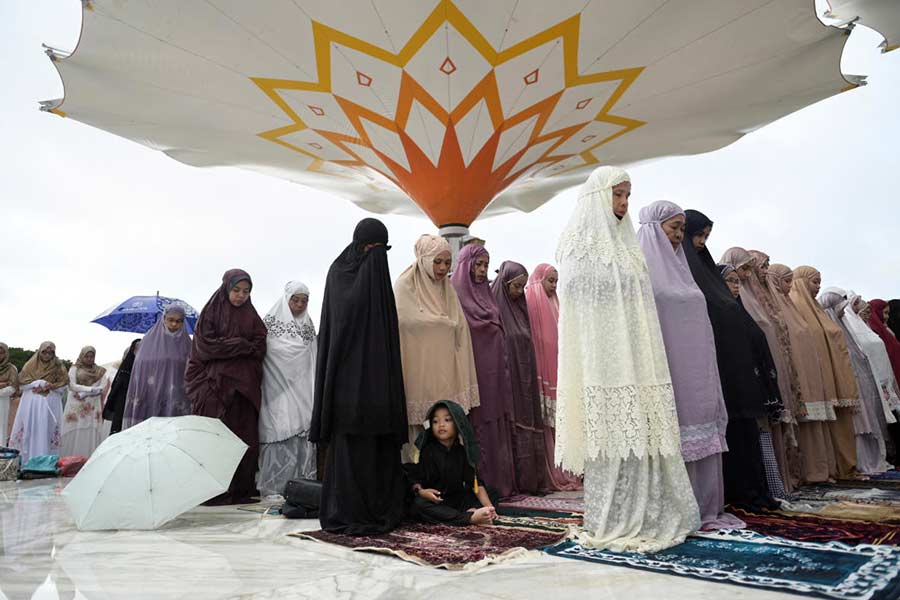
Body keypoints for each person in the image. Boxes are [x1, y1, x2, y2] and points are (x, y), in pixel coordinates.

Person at [556, 166, 699, 551]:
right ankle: (609, 517)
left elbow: (640, 309)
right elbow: (577, 318)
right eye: (616, 195)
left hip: (636, 358)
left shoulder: (628, 248)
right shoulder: (575, 247)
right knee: (610, 444)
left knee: (642, 439)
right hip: (601, 363)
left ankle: (651, 511)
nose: (622, 204)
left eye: (627, 196)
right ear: (597, 197)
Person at [636, 201, 742, 530]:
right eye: (673, 228)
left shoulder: (684, 270)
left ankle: (703, 506)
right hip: (666, 367)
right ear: (654, 229)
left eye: (682, 229)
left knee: (701, 429)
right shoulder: (642, 271)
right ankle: (673, 508)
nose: (679, 236)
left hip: (698, 369)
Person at [310, 218, 407, 535]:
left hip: (376, 382)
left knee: (375, 447)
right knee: (351, 449)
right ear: (361, 246)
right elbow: (340, 330)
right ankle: (350, 510)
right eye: (372, 249)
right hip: (348, 386)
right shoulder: (341, 275)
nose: (377, 256)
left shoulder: (369, 275)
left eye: (382, 250)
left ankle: (378, 507)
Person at [681, 211, 775, 511]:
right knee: (730, 431)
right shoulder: (685, 274)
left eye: (706, 237)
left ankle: (755, 491)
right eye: (697, 235)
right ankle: (739, 491)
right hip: (711, 367)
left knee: (744, 430)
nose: (701, 242)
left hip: (735, 370)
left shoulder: (707, 273)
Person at [394, 234, 479, 462]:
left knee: (446, 428)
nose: (442, 268)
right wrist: (439, 323)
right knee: (417, 437)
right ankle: (418, 487)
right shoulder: (404, 286)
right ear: (424, 259)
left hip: (444, 374)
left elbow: (460, 327)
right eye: (437, 261)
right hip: (416, 374)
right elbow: (404, 323)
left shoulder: (447, 290)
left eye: (447, 262)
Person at [186, 269, 267, 505]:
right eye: (236, 290)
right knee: (216, 440)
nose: (241, 295)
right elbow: (206, 348)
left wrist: (234, 347)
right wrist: (241, 345)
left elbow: (260, 345)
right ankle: (214, 492)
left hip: (244, 391)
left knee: (245, 440)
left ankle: (241, 489)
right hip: (216, 390)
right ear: (226, 288)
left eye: (246, 291)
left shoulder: (252, 316)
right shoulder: (212, 313)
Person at [451, 244, 518, 498]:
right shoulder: (456, 296)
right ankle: (481, 485)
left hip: (495, 375)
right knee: (478, 424)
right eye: (477, 265)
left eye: (485, 266)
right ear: (466, 265)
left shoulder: (487, 295)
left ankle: (500, 483)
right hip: (474, 374)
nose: (481, 271)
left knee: (496, 422)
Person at [718, 262, 788, 499]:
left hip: (752, 391)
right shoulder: (721, 314)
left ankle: (761, 488)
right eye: (731, 281)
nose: (737, 286)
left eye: (738, 281)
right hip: (733, 396)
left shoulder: (742, 312)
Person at [767, 264, 837, 482]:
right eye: (785, 281)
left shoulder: (794, 307)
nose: (788, 286)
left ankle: (821, 469)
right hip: (797, 379)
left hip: (810, 377)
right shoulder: (779, 307)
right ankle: (809, 471)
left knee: (816, 427)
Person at [789, 266, 859, 479]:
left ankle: (844, 466)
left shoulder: (815, 309)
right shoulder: (796, 306)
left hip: (832, 376)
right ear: (801, 281)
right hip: (818, 378)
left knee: (840, 423)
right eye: (814, 282)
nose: (818, 287)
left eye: (820, 282)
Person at [490, 261, 549, 494]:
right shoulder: (497, 309)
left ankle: (533, 481)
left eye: (522, 287)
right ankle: (515, 481)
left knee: (530, 420)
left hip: (525, 377)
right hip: (509, 378)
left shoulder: (521, 309)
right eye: (515, 286)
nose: (519, 292)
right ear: (504, 285)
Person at [819, 289, 890, 474]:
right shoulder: (828, 327)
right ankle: (857, 461)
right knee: (856, 425)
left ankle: (868, 461)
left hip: (857, 382)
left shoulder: (846, 326)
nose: (843, 311)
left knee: (864, 423)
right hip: (844, 383)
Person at [525, 263, 581, 491]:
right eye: (550, 280)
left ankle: (569, 470)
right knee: (548, 427)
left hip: (559, 375)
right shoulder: (532, 301)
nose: (554, 285)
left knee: (562, 425)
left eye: (556, 281)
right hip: (542, 375)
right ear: (540, 280)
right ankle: (554, 473)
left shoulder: (555, 305)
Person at [258, 281, 318, 496]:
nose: (300, 304)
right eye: (295, 300)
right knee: (280, 429)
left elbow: (313, 358)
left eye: (304, 301)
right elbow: (269, 353)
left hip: (303, 390)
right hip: (277, 389)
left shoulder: (308, 327)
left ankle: (301, 489)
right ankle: (274, 487)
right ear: (286, 299)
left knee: (301, 435)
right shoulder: (271, 325)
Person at [406, 400, 497, 526]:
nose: (441, 425)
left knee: (491, 491)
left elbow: (474, 482)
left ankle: (474, 512)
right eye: (435, 421)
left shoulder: (461, 451)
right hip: (435, 501)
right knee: (418, 505)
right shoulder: (427, 451)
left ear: (458, 424)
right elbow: (416, 480)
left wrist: (490, 508)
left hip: (456, 500)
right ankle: (468, 518)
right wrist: (422, 492)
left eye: (447, 420)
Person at [122, 305, 192, 430]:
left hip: (176, 396)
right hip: (151, 392)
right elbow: (140, 366)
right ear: (163, 319)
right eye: (171, 319)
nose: (174, 324)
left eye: (179, 321)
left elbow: (193, 370)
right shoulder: (148, 341)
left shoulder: (188, 345)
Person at [9, 342, 68, 463]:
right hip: (32, 405)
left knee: (48, 431)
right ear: (39, 352)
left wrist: (49, 386)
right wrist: (36, 383)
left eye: (50, 353)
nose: (47, 355)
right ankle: (28, 461)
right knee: (32, 430)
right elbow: (22, 384)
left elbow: (63, 386)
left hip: (50, 404)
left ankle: (48, 462)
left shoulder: (59, 367)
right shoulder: (30, 366)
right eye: (44, 352)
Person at [60, 346, 109, 457]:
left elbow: (103, 386)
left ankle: (88, 458)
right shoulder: (74, 368)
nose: (89, 359)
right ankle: (70, 458)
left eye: (92, 356)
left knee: (89, 430)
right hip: (76, 405)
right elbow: (72, 385)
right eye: (86, 356)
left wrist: (87, 393)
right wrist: (89, 389)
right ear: (82, 356)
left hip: (92, 405)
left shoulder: (100, 371)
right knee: (75, 428)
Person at [102, 339, 140, 434]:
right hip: (123, 408)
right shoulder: (125, 370)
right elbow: (115, 391)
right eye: (137, 349)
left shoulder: (146, 369)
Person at [0, 343, 19, 447]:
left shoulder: (11, 368)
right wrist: (3, 383)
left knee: (1, 427)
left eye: (1, 352)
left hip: (2, 400)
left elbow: (13, 387)